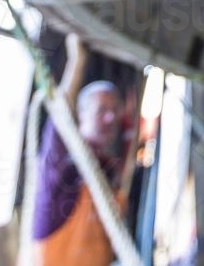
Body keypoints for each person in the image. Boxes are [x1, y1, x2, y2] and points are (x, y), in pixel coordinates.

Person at [32, 33, 126, 265]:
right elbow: (61, 117)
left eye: (115, 110)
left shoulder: (108, 174)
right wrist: (77, 60)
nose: (110, 117)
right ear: (82, 114)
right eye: (102, 109)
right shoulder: (62, 167)